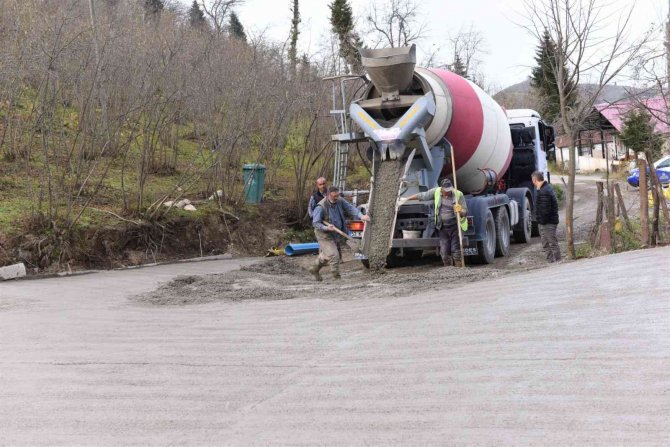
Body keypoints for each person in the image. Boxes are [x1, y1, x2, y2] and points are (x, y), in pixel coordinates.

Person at [403, 179, 468, 267]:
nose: (448, 192)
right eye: (446, 191)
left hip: (456, 227)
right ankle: (449, 270)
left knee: (456, 251)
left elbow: (465, 212)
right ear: (441, 189)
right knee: (444, 253)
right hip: (442, 228)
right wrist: (406, 199)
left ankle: (460, 269)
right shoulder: (436, 192)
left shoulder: (458, 194)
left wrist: (460, 211)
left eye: (449, 190)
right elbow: (422, 196)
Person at [310, 186, 370, 281]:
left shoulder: (340, 200)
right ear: (329, 195)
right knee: (334, 255)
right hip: (324, 235)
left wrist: (361, 216)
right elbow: (315, 223)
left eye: (338, 195)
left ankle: (314, 269)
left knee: (329, 254)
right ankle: (337, 278)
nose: (337, 197)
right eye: (335, 196)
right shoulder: (320, 207)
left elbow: (350, 208)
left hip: (339, 230)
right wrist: (326, 227)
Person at [531, 171, 561, 262]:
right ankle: (551, 261)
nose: (532, 181)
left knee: (552, 242)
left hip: (548, 222)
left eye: (532, 179)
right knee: (545, 243)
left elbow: (545, 210)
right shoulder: (544, 189)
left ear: (535, 179)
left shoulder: (544, 191)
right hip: (545, 222)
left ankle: (558, 262)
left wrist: (541, 221)